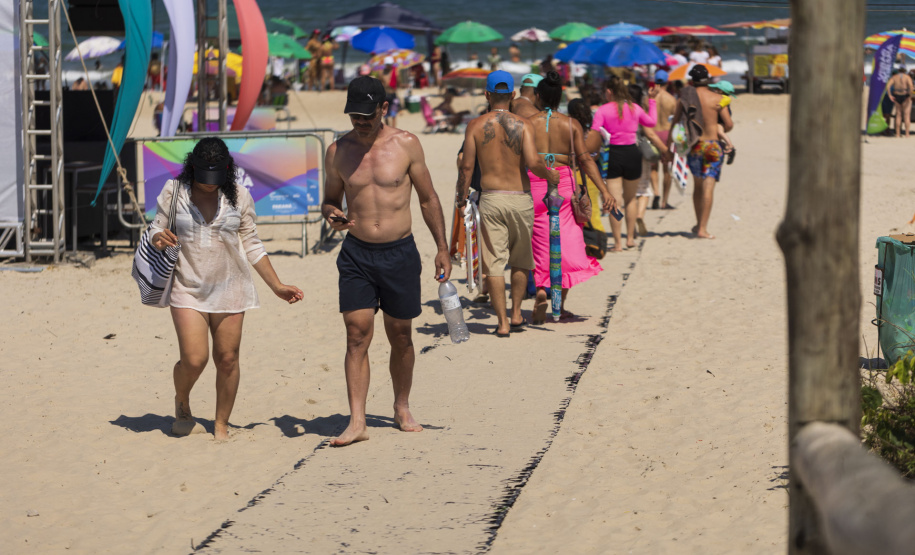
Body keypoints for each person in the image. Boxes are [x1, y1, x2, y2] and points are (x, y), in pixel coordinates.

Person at [322, 76, 451, 447]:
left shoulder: (406, 144)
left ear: (384, 108)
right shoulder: (337, 151)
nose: (360, 122)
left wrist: (442, 247)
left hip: (399, 252)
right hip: (357, 254)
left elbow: (428, 198)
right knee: (357, 333)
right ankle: (357, 420)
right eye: (354, 116)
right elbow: (330, 199)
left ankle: (402, 405)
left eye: (367, 115)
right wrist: (332, 213)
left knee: (401, 336)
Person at [149, 137, 303, 440]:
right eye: (203, 177)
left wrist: (276, 285)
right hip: (187, 286)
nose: (209, 184)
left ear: (228, 170)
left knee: (228, 359)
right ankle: (182, 400)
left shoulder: (241, 196)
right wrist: (158, 238)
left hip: (232, 287)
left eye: (215, 178)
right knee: (194, 359)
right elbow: (156, 226)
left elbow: (252, 244)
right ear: (192, 167)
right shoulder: (174, 191)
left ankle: (221, 423)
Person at [456, 70, 559, 335]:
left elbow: (466, 167)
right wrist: (552, 176)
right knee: (521, 260)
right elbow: (534, 163)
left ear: (487, 95)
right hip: (520, 198)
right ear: (512, 95)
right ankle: (515, 315)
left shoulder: (475, 126)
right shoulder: (523, 125)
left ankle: (501, 323)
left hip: (491, 197)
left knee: (494, 262)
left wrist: (460, 197)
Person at [528, 72, 616, 323]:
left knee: (539, 244)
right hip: (563, 185)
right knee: (565, 245)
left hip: (535, 184)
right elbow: (586, 160)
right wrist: (605, 189)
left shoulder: (527, 123)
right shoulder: (571, 124)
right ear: (560, 98)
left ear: (537, 96)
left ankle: (542, 289)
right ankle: (559, 304)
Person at [587, 74, 659, 250]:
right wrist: (652, 101)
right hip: (632, 154)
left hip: (613, 155)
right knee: (630, 200)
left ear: (609, 91)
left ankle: (618, 243)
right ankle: (630, 239)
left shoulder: (603, 110)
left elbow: (594, 132)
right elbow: (652, 122)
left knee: (614, 201)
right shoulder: (634, 107)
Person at [668, 64, 733, 239]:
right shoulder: (717, 98)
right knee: (708, 186)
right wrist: (720, 129)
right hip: (712, 145)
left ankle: (698, 225)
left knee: (697, 186)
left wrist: (668, 146)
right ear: (709, 80)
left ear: (692, 80)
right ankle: (703, 228)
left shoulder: (686, 98)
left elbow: (674, 122)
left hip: (695, 145)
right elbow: (729, 124)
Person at [653, 69, 678, 209]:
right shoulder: (671, 99)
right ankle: (664, 201)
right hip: (667, 134)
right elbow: (676, 120)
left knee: (653, 168)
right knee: (667, 169)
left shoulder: (648, 98)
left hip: (653, 133)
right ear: (667, 82)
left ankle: (656, 192)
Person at [887, 67, 914, 138]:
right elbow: (911, 87)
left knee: (898, 115)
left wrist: (890, 95)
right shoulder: (907, 77)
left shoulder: (894, 77)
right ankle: (907, 134)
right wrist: (910, 96)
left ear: (899, 70)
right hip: (905, 95)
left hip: (897, 95)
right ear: (905, 71)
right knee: (906, 115)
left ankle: (898, 134)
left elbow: (888, 86)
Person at [381, 57, 400, 128]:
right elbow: (381, 83)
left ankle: (393, 128)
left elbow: (398, 83)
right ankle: (387, 127)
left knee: (393, 113)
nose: (389, 66)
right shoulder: (382, 73)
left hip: (393, 94)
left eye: (390, 64)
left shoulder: (395, 72)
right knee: (385, 114)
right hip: (385, 95)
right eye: (387, 64)